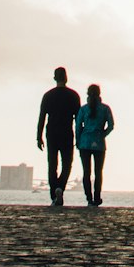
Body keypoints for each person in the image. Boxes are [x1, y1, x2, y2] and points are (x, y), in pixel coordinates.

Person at [36, 66, 81, 207]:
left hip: (52, 133)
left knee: (52, 164)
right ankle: (60, 188)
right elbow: (78, 119)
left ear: (55, 78)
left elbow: (42, 117)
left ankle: (54, 194)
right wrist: (79, 136)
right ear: (66, 78)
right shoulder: (73, 95)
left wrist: (39, 137)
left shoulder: (48, 95)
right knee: (67, 163)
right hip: (67, 132)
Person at [74, 82, 114, 207]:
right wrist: (103, 134)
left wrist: (78, 140)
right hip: (99, 143)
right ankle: (97, 197)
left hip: (85, 142)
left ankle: (89, 198)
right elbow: (111, 125)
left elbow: (78, 125)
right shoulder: (105, 108)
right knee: (98, 172)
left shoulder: (83, 109)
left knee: (86, 172)